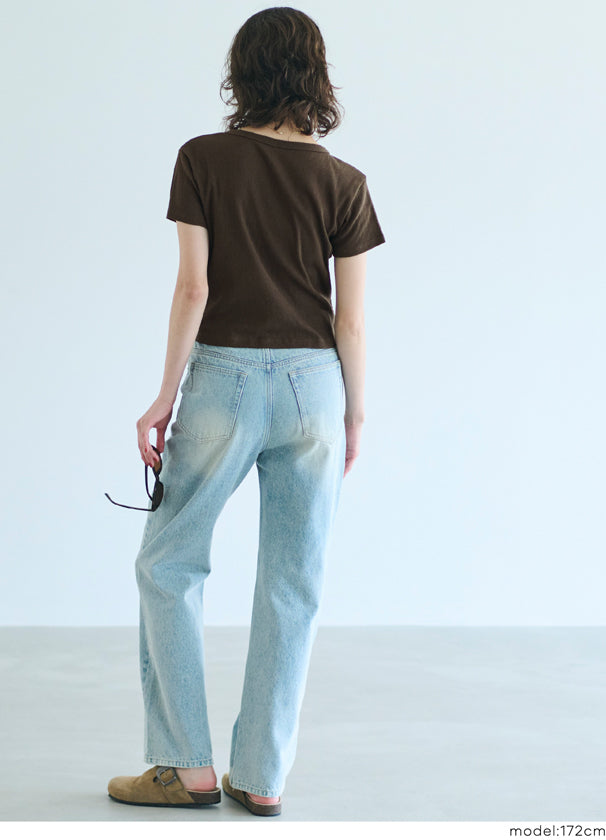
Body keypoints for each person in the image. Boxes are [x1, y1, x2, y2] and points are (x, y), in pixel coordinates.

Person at [106, 6, 386, 818]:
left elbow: (194, 286)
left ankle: (185, 767)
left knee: (169, 564)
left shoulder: (203, 159)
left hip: (223, 380)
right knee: (294, 581)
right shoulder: (345, 182)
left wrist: (165, 395)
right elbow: (351, 321)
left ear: (243, 73)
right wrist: (355, 414)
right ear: (316, 76)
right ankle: (261, 776)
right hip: (316, 388)